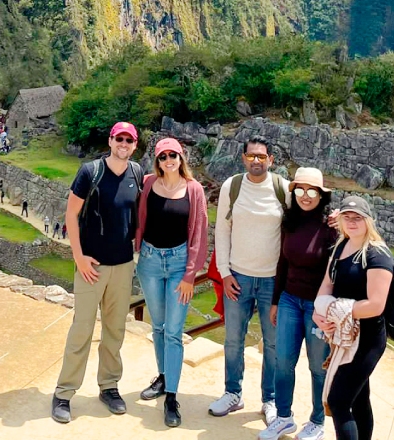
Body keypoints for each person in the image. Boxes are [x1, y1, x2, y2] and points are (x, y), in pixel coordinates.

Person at [51, 121, 143, 424]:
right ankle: (64, 392)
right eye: (119, 139)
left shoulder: (136, 173)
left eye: (129, 140)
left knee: (115, 330)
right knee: (82, 329)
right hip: (92, 266)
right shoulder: (91, 172)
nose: (124, 144)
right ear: (111, 140)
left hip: (122, 264)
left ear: (135, 145)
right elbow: (71, 214)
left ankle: (109, 386)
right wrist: (78, 256)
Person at [210, 136, 289, 424]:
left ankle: (270, 399)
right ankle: (233, 392)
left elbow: (302, 220)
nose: (256, 160)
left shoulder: (283, 189)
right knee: (233, 339)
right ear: (243, 158)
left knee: (273, 344)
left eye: (262, 156)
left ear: (271, 160)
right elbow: (222, 230)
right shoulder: (232, 186)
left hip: (272, 280)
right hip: (238, 276)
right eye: (251, 156)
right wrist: (225, 272)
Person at [134, 138, 209, 428]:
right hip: (150, 261)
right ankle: (164, 377)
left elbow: (199, 232)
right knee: (158, 326)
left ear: (181, 158)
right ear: (158, 160)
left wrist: (190, 275)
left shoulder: (193, 189)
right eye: (163, 156)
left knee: (174, 332)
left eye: (173, 155)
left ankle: (171, 398)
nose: (169, 160)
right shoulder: (148, 184)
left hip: (179, 263)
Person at [262, 167, 338, 440]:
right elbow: (282, 262)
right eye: (300, 190)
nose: (305, 196)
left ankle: (317, 421)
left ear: (321, 195)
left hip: (318, 306)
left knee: (317, 366)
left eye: (312, 191)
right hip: (289, 300)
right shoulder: (290, 221)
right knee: (283, 361)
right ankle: (284, 417)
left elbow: (338, 270)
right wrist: (275, 301)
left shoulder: (331, 227)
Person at [314, 196, 393, 440]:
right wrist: (319, 313)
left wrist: (337, 311)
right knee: (358, 398)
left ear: (368, 221)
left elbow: (376, 305)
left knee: (338, 401)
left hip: (366, 340)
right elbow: (327, 284)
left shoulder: (377, 255)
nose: (351, 222)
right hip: (345, 336)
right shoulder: (341, 247)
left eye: (357, 217)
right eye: (346, 217)